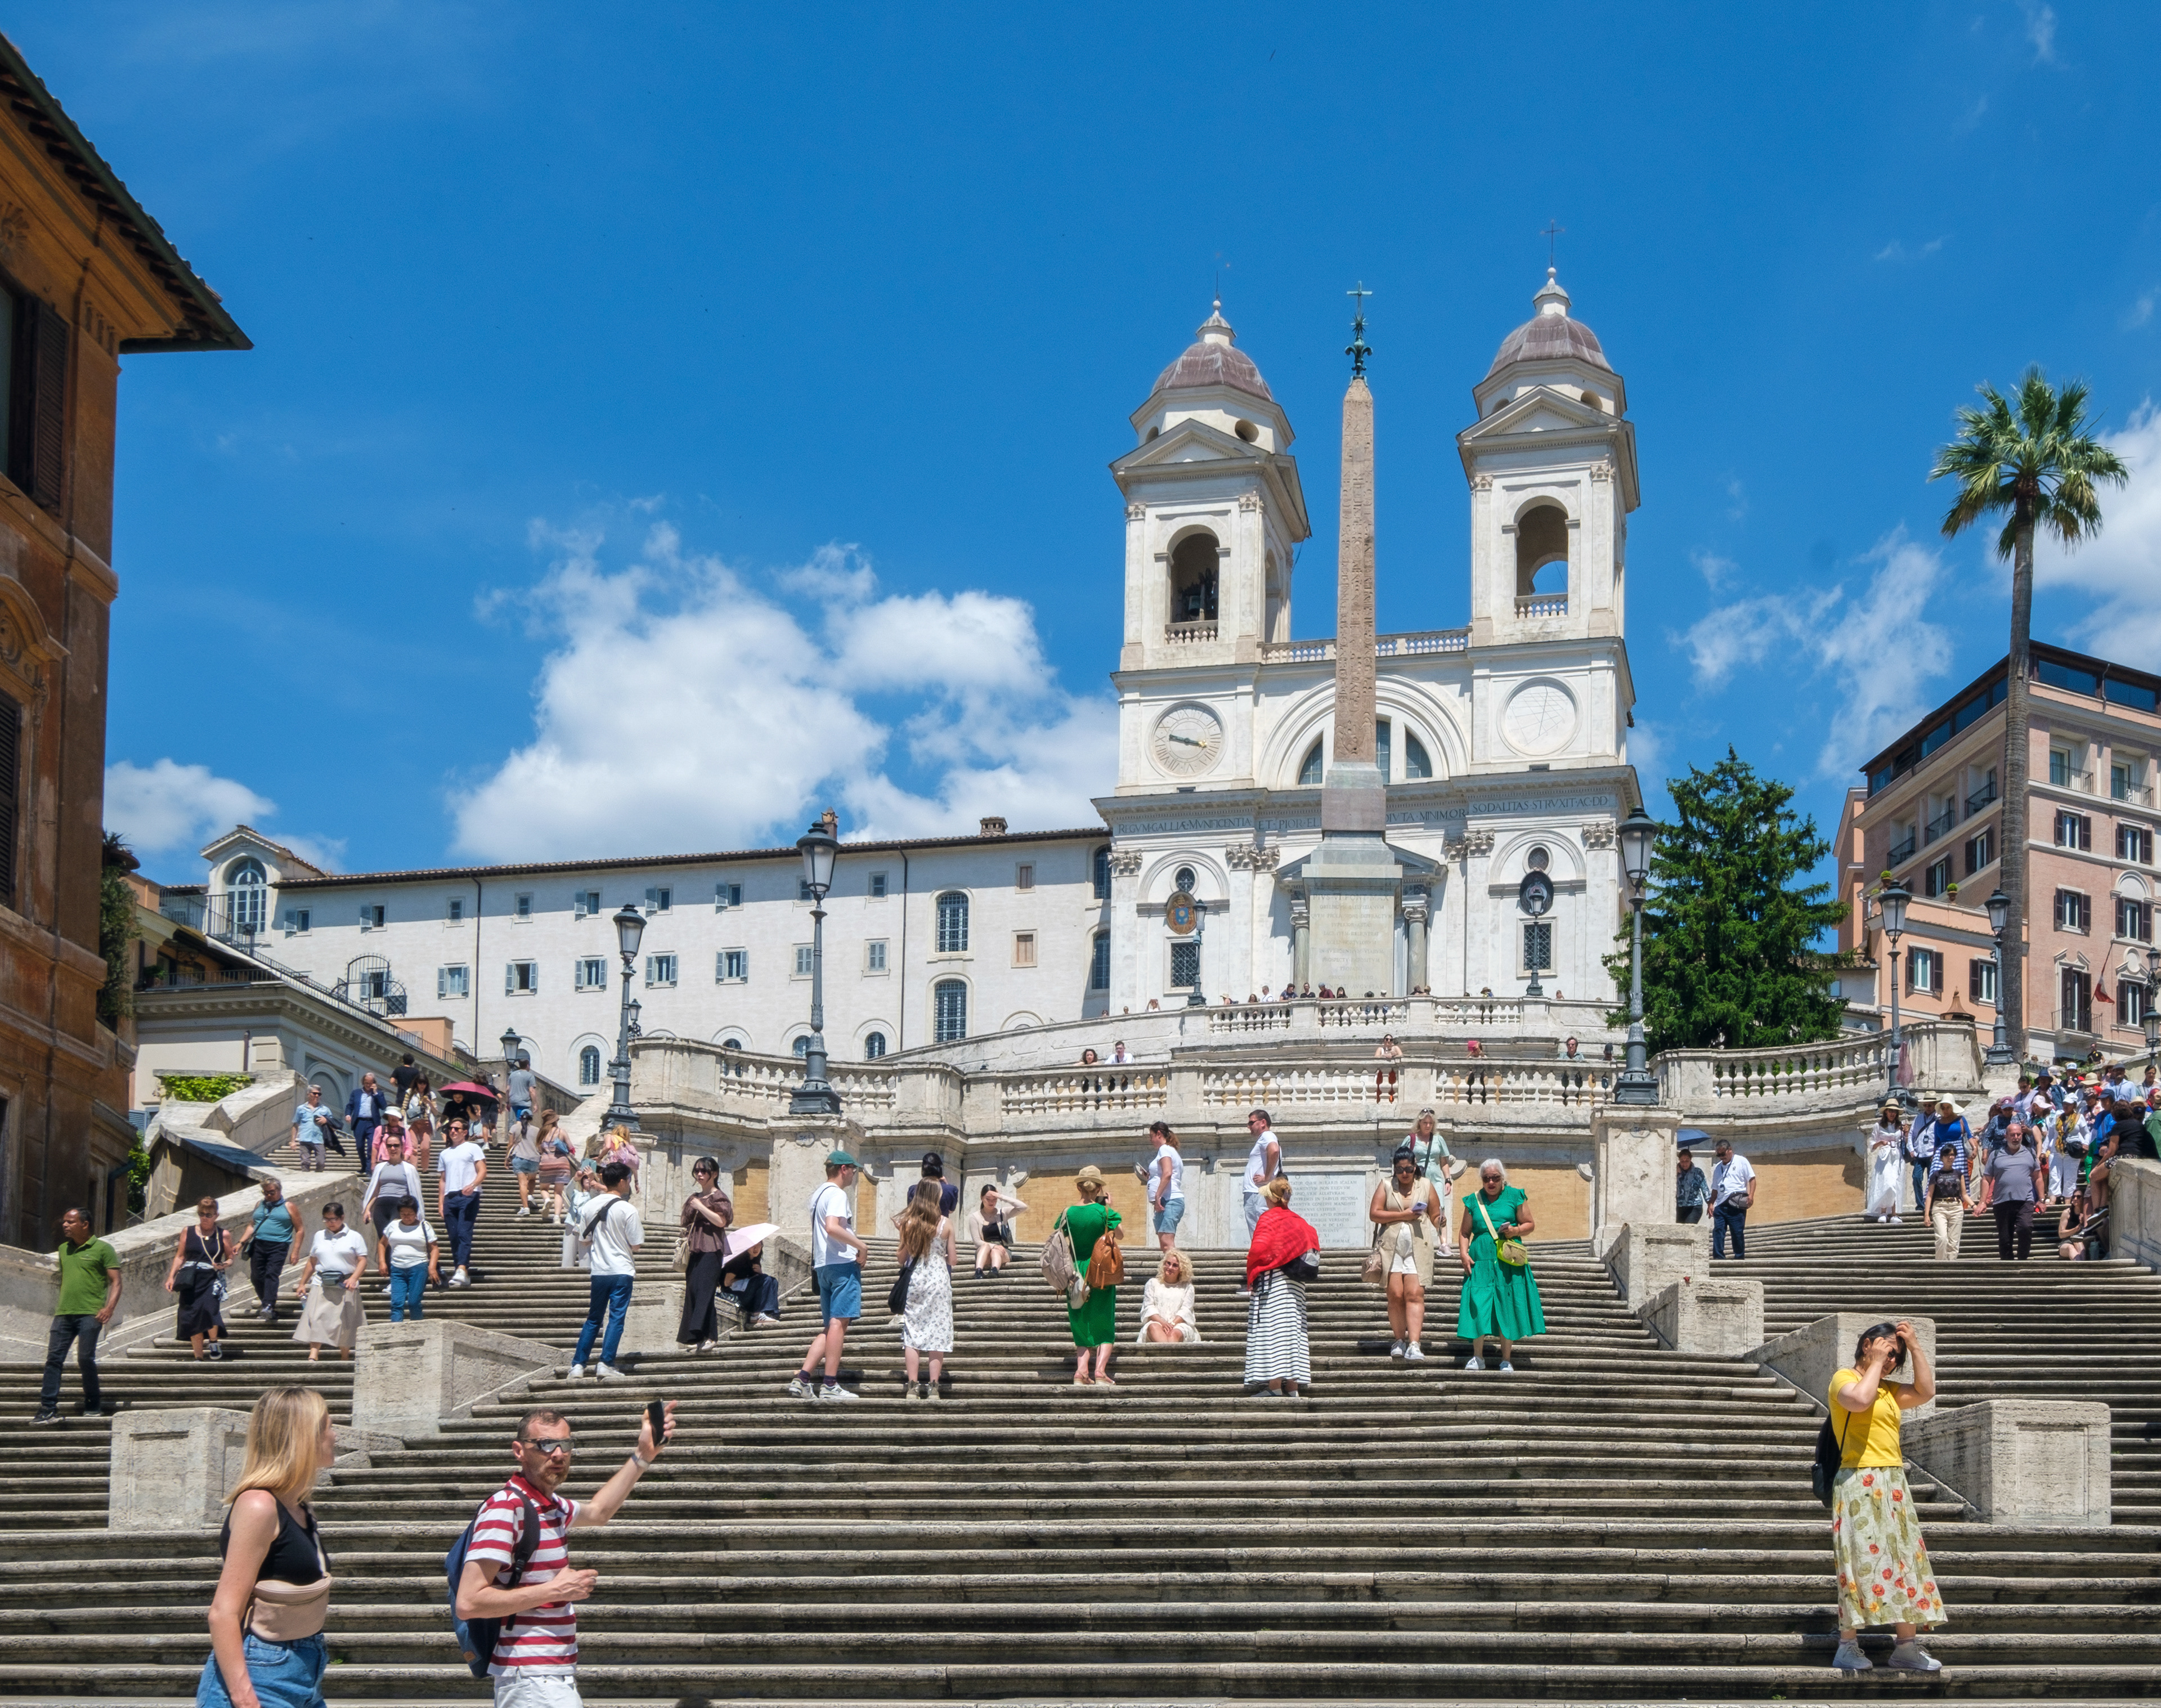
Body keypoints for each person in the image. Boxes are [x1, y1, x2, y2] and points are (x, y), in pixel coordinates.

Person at [454, 1400, 678, 1708]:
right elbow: (468, 1602)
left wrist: (643, 1455)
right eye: (545, 1445)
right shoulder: (507, 1508)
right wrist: (555, 1590)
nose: (558, 1454)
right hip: (531, 1675)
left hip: (549, 1674)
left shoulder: (551, 1506)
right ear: (519, 1451)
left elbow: (599, 1512)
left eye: (565, 1444)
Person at [197, 1386, 337, 1708]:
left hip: (306, 1669)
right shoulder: (258, 1505)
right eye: (328, 1427)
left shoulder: (300, 1508)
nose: (335, 1436)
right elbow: (223, 1613)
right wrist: (245, 1698)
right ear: (304, 1436)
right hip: (261, 1674)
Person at [1828, 1320, 1945, 1672]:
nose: (1893, 1360)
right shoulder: (1844, 1379)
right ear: (1867, 1345)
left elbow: (1926, 1391)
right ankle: (1847, 1646)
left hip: (1893, 1481)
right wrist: (1877, 1362)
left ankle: (1906, 1647)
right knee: (1858, 1562)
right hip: (1858, 1479)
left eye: (1897, 1356)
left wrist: (1916, 1346)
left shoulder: (1889, 1390)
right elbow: (1859, 1401)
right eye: (1888, 1351)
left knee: (1905, 1561)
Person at [788, 1150, 866, 1401]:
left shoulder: (818, 1195)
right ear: (843, 1169)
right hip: (842, 1264)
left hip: (823, 1266)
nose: (854, 1174)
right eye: (853, 1169)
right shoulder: (837, 1194)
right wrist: (862, 1246)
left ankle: (802, 1379)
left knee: (831, 1326)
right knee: (838, 1325)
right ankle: (830, 1384)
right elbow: (832, 1227)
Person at [1458, 1159, 1546, 1371]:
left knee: (1508, 1304)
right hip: (1480, 1261)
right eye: (1486, 1178)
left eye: (1495, 1178)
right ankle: (1477, 1357)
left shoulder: (1515, 1196)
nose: (1491, 1182)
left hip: (1508, 1261)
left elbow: (1530, 1224)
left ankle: (1506, 1359)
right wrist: (1463, 1254)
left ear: (1502, 1178)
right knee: (1478, 1304)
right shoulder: (1473, 1201)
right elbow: (1464, 1233)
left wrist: (1515, 1231)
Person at [34, 1206, 119, 1424]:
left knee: (84, 1358)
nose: (65, 1225)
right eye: (64, 1221)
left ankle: (93, 1404)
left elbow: (116, 1282)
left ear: (85, 1224)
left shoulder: (103, 1249)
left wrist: (109, 1308)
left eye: (70, 1222)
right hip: (64, 1313)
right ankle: (47, 1409)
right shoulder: (64, 1249)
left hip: (91, 1314)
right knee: (54, 1359)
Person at [1243, 1176, 1318, 1398]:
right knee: (1293, 1331)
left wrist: (1252, 1272)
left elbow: (1259, 1249)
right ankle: (1293, 1388)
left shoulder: (1269, 1218)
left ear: (1271, 1198)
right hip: (1296, 1286)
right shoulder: (1299, 1221)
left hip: (1273, 1282)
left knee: (1272, 1331)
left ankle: (1275, 1387)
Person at [568, 1162, 643, 1380]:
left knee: (594, 1319)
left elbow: (584, 1240)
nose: (628, 1183)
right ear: (621, 1182)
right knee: (616, 1319)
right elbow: (636, 1245)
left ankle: (578, 1366)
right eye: (628, 1179)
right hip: (621, 1270)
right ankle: (606, 1363)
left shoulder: (590, 1206)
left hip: (599, 1271)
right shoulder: (628, 1209)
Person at [1370, 1146, 1442, 1361]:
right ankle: (1399, 1340)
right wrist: (1404, 1215)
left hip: (1418, 1247)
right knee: (1395, 1294)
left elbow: (1435, 1214)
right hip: (1391, 1248)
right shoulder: (1386, 1185)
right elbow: (1375, 1214)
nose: (1405, 1173)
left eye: (1409, 1169)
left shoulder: (1426, 1185)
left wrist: (1440, 1220)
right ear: (1394, 1169)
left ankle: (1415, 1344)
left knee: (1414, 1294)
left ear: (1415, 1167)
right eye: (1400, 1169)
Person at [1062, 1165, 1123, 1385]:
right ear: (1099, 1188)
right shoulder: (1104, 1212)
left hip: (1075, 1271)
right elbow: (1120, 1235)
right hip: (1100, 1269)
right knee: (1104, 1319)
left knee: (1080, 1318)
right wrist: (1108, 1207)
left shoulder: (1067, 1212)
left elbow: (1061, 1237)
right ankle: (1099, 1372)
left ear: (1079, 1187)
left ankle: (1081, 1372)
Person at [896, 1180, 956, 1398]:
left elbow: (901, 1258)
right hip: (939, 1280)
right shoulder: (946, 1224)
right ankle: (934, 1387)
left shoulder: (909, 1223)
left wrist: (904, 1234)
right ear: (936, 1197)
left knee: (913, 1333)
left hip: (917, 1280)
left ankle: (912, 1387)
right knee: (937, 1332)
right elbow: (953, 1260)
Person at [290, 1203, 368, 1362]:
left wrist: (354, 1278)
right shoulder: (319, 1236)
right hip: (321, 1282)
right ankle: (313, 1354)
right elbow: (312, 1261)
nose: (330, 1223)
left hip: (345, 1283)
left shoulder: (355, 1237)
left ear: (342, 1217)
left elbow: (362, 1261)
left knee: (345, 1321)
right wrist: (302, 1283)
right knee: (316, 1317)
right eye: (326, 1220)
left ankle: (345, 1356)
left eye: (333, 1219)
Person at [675, 1157, 734, 1353]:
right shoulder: (694, 1197)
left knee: (705, 1292)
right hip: (694, 1249)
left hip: (712, 1249)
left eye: (704, 1171)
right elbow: (685, 1221)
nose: (699, 1175)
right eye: (697, 1171)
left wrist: (701, 1207)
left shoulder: (719, 1197)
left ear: (714, 1174)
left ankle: (711, 1336)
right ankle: (695, 1336)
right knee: (693, 1291)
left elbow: (721, 1221)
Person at [165, 1196, 234, 1360]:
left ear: (216, 1216)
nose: (204, 1218)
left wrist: (224, 1265)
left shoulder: (223, 1234)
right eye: (201, 1214)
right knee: (192, 1315)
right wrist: (171, 1276)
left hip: (210, 1278)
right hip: (190, 1279)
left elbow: (230, 1258)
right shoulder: (188, 1231)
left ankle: (214, 1341)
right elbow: (180, 1256)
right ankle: (199, 1357)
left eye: (208, 1215)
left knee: (210, 1309)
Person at [1978, 1118, 2044, 1261]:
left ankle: (2022, 1260)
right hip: (2002, 1202)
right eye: (2013, 1135)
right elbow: (1986, 1179)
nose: (2016, 1138)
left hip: (2025, 1201)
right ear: (2006, 1136)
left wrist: (2041, 1199)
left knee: (2025, 1228)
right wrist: (1982, 1202)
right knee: (2005, 1240)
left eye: (2019, 1134)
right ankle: (2008, 1268)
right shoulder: (1996, 1155)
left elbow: (2038, 1178)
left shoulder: (2030, 1153)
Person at [241, 1178, 301, 1326]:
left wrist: (295, 1251)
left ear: (279, 1191)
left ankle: (268, 1305)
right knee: (256, 1277)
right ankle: (267, 1305)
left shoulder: (289, 1206)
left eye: (272, 1192)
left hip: (278, 1246)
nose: (268, 1195)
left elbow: (300, 1229)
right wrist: (240, 1242)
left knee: (271, 1274)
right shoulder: (259, 1205)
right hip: (258, 1244)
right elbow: (252, 1225)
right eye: (266, 1192)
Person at [438, 1117, 487, 1289]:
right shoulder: (444, 1153)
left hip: (469, 1195)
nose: (452, 1131)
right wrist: (441, 1202)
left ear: (465, 1132)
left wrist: (473, 1185)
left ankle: (461, 1268)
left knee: (463, 1231)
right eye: (450, 1129)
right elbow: (443, 1180)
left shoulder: (473, 1148)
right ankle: (461, 1271)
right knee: (453, 1235)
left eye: (457, 1129)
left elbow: (483, 1171)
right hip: (450, 1197)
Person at [1405, 1108, 1460, 1256]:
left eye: (1430, 1123)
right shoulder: (1411, 1139)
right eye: (1425, 1123)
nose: (1428, 1126)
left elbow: (1444, 1162)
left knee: (1440, 1211)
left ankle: (1444, 1244)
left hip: (1436, 1181)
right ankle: (1416, 1243)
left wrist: (1448, 1180)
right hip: (1417, 1181)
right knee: (1417, 1210)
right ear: (1419, 1123)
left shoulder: (1438, 1139)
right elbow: (1402, 1159)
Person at [381, 1199, 441, 1321]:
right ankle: (396, 1330)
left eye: (410, 1214)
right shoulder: (393, 1225)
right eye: (403, 1214)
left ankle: (417, 1328)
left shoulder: (424, 1226)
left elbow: (434, 1248)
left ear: (416, 1213)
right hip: (397, 1268)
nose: (407, 1217)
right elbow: (382, 1243)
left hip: (418, 1267)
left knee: (414, 1302)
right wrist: (382, 1262)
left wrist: (432, 1268)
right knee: (397, 1303)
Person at [362, 1149, 425, 1256]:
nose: (393, 1148)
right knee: (383, 1238)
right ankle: (386, 1265)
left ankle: (395, 1263)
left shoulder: (409, 1168)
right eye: (389, 1146)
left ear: (401, 1147)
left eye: (396, 1146)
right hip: (381, 1207)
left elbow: (414, 1190)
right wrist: (367, 1209)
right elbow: (375, 1191)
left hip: (399, 1206)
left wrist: (416, 1211)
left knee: (393, 1236)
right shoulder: (380, 1167)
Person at [1924, 1116, 1970, 1262]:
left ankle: (1951, 1268)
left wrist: (1975, 1205)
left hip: (1956, 1207)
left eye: (1953, 1155)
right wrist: (1927, 1214)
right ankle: (1940, 1267)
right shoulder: (1936, 1174)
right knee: (1942, 1239)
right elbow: (1930, 1195)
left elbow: (1964, 1194)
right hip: (1940, 1206)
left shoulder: (1959, 1174)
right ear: (1942, 1157)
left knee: (1954, 1243)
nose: (1951, 1157)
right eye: (1948, 1155)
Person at [1136, 1249, 1199, 1343]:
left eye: (1175, 1266)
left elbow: (1186, 1309)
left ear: (1181, 1269)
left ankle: (1166, 1352)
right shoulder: (1153, 1283)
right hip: (1157, 1322)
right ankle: (1169, 1352)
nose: (1170, 1267)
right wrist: (1163, 1323)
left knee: (1173, 1334)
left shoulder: (1187, 1287)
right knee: (1153, 1327)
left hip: (1180, 1325)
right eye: (1168, 1263)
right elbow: (1149, 1307)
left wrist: (1172, 1324)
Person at [1707, 1138, 1755, 1260]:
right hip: (1721, 1205)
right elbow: (1715, 1189)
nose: (1721, 1157)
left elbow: (1752, 1179)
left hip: (1736, 1203)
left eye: (1723, 1154)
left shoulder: (1741, 1161)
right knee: (1718, 1231)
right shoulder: (1718, 1168)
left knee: (1737, 1232)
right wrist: (1711, 1203)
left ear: (1730, 1150)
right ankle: (1718, 1258)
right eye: (1718, 1155)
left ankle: (1739, 1258)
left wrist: (1751, 1195)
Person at [719, 1238, 781, 1327]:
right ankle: (756, 1316)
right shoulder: (738, 1261)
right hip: (735, 1295)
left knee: (772, 1280)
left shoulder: (755, 1261)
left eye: (759, 1246)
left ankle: (771, 1313)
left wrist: (759, 1273)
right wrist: (749, 1280)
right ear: (747, 1247)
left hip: (747, 1294)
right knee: (765, 1279)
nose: (756, 1249)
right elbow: (727, 1283)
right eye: (753, 1246)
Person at [1241, 1108, 1281, 1248]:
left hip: (1256, 1193)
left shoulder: (1267, 1136)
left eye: (1251, 1123)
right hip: (1257, 1193)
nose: (1249, 1126)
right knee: (1262, 1232)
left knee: (1260, 1233)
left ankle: (1262, 1259)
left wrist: (1267, 1177)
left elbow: (1274, 1150)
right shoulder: (1265, 1138)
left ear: (1263, 1122)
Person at [1145, 1121, 1185, 1250]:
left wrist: (1158, 1196)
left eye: (1151, 1136)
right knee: (1165, 1245)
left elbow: (1167, 1173)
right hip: (1168, 1201)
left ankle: (1178, 1264)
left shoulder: (1164, 1149)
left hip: (1169, 1200)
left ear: (1159, 1134)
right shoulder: (1170, 1150)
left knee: (1167, 1244)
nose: (1150, 1140)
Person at [969, 1184, 1024, 1277]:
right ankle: (978, 1271)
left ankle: (994, 1271)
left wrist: (1001, 1196)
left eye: (994, 1199)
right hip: (984, 1252)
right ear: (982, 1198)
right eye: (988, 1199)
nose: (991, 1202)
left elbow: (1022, 1207)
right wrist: (994, 1246)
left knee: (996, 1251)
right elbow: (977, 1241)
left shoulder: (1002, 1213)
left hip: (1002, 1251)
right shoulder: (975, 1217)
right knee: (986, 1246)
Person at [1864, 1103, 1905, 1222]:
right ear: (1886, 1112)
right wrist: (1880, 1143)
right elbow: (1872, 1144)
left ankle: (1894, 1213)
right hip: (1884, 1158)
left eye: (1895, 1111)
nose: (1893, 1114)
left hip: (1897, 1157)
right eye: (1890, 1111)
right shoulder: (1878, 1126)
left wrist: (1906, 1133)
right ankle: (1883, 1212)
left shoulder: (1900, 1126)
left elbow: (1904, 1142)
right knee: (1886, 1184)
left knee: (1895, 1184)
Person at [346, 1073, 389, 1178]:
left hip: (372, 1123)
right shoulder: (356, 1093)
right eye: (366, 1083)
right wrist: (348, 1114)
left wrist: (376, 1093)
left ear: (374, 1083)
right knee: (360, 1146)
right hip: (359, 1122)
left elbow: (383, 1106)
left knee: (371, 1146)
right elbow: (350, 1106)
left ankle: (370, 1169)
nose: (368, 1085)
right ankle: (364, 1166)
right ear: (363, 1083)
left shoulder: (378, 1094)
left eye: (370, 1083)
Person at [535, 1109, 574, 1218]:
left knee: (544, 1189)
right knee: (558, 1192)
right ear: (555, 1120)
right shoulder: (561, 1132)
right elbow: (571, 1148)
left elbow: (540, 1150)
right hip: (562, 1164)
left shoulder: (542, 1133)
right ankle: (557, 1217)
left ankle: (547, 1200)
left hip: (546, 1163)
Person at [506, 1106, 543, 1216]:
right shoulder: (537, 1130)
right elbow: (539, 1146)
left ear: (520, 1117)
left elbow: (510, 1144)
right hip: (534, 1159)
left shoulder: (514, 1128)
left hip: (519, 1158)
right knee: (532, 1179)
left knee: (522, 1184)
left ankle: (526, 1208)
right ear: (531, 1118)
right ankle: (530, 1195)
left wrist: (507, 1158)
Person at [2057, 1188, 2107, 1261]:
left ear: (2083, 1199)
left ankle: (2081, 1264)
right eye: (2074, 1197)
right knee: (2071, 1247)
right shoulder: (2067, 1213)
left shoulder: (2088, 1213)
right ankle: (2081, 1264)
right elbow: (2061, 1234)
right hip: (2066, 1243)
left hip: (2083, 1241)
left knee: (2077, 1240)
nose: (2075, 1199)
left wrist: (2084, 1223)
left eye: (2079, 1197)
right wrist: (2076, 1229)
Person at [290, 1086, 331, 1172]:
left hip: (319, 1139)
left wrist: (326, 1121)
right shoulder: (301, 1109)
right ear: (308, 1094)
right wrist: (293, 1141)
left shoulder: (325, 1110)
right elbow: (295, 1125)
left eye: (319, 1094)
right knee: (305, 1162)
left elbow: (333, 1125)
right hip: (305, 1139)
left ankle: (318, 1177)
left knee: (321, 1162)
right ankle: (306, 1179)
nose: (317, 1096)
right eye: (315, 1093)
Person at [920, 1151, 960, 1218]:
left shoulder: (913, 1190)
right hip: (941, 1224)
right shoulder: (951, 1190)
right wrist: (946, 1184)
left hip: (920, 1224)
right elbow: (951, 1210)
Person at [1675, 1147, 1709, 1225]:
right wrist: (1675, 1174)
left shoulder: (1697, 1172)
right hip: (1680, 1207)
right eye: (1682, 1161)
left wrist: (1710, 1204)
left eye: (1687, 1161)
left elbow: (1705, 1189)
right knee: (1679, 1231)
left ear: (1691, 1160)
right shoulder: (1676, 1172)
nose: (1684, 1164)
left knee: (1689, 1228)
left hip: (1695, 1206)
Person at [505, 1053, 537, 1123]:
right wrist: (535, 1104)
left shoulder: (512, 1075)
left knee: (520, 1118)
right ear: (528, 1065)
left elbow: (507, 1089)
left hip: (513, 1101)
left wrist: (507, 1102)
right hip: (524, 1102)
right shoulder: (530, 1076)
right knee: (520, 1121)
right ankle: (518, 1130)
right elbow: (532, 1091)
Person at [1373, 1034, 1403, 1102]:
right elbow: (1375, 1058)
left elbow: (1402, 1057)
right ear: (1384, 1040)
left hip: (1393, 1073)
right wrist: (1384, 1055)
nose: (1389, 1041)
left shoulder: (1395, 1048)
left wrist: (1395, 1055)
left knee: (1393, 1091)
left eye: (1391, 1040)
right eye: (1387, 1039)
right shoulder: (1380, 1049)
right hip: (1382, 1073)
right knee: (1380, 1089)